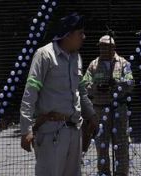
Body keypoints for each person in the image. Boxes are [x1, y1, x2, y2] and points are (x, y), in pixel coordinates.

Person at [20, 13, 98, 176]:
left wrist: (91, 115)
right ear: (68, 35)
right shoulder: (44, 55)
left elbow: (81, 90)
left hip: (74, 131)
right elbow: (30, 91)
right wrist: (26, 129)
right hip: (51, 132)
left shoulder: (77, 58)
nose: (84, 37)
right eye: (80, 33)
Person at [85, 35, 134, 176]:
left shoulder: (123, 63)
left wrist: (118, 84)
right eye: (100, 46)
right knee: (102, 145)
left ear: (113, 47)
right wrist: (96, 87)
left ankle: (121, 174)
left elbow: (131, 83)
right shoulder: (93, 65)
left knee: (122, 145)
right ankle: (104, 173)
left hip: (119, 108)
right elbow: (84, 85)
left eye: (105, 46)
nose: (102, 49)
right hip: (100, 110)